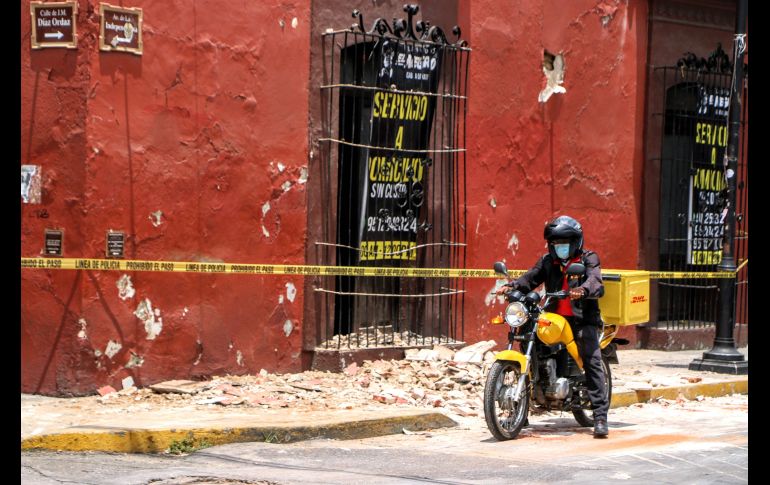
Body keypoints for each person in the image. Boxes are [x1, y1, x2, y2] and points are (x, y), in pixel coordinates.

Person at [499, 215, 609, 438]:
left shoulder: (588, 259)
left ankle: (599, 417)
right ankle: (523, 405)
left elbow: (595, 281)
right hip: (552, 316)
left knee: (592, 359)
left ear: (575, 242)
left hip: (581, 319)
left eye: (564, 243)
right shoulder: (549, 261)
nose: (560, 248)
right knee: (529, 341)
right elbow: (531, 277)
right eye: (556, 244)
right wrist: (511, 286)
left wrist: (584, 290)